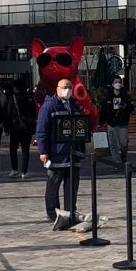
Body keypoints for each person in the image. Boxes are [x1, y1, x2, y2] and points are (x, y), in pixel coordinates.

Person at [36, 76, 86, 229]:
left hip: (72, 154)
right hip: (56, 154)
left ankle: (70, 211)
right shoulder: (49, 106)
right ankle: (53, 213)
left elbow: (80, 128)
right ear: (57, 89)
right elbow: (42, 130)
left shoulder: (74, 105)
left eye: (69, 87)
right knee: (53, 184)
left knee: (72, 184)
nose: (67, 90)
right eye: (64, 87)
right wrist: (43, 152)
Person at [98, 74, 134, 164]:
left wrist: (126, 107)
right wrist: (100, 123)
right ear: (112, 84)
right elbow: (103, 110)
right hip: (111, 123)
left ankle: (123, 155)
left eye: (119, 82)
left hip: (122, 123)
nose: (118, 84)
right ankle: (116, 161)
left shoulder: (125, 95)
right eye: (116, 82)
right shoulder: (108, 96)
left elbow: (131, 108)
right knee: (113, 144)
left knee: (123, 143)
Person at [5, 77, 36, 179]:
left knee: (13, 149)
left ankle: (14, 169)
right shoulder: (29, 97)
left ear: (15, 88)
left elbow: (8, 114)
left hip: (15, 127)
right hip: (26, 126)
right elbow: (33, 112)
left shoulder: (12, 98)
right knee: (25, 149)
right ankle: (24, 171)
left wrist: (7, 128)